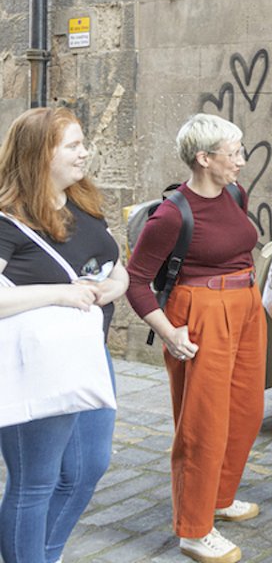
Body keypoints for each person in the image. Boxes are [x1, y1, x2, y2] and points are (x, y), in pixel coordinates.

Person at [127, 114, 264, 563]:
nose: (242, 161)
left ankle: (219, 498)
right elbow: (137, 281)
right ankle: (193, 529)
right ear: (204, 159)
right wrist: (168, 333)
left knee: (246, 411)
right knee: (202, 424)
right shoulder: (171, 214)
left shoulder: (236, 194)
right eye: (234, 153)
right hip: (200, 314)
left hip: (245, 306)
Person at [0, 107, 127, 563]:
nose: (84, 152)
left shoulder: (83, 201)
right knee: (35, 480)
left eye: (82, 143)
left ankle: (44, 555)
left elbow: (116, 267)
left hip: (87, 355)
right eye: (72, 145)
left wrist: (112, 286)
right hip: (35, 363)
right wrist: (60, 293)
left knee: (88, 467)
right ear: (39, 154)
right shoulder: (6, 219)